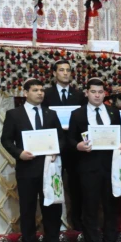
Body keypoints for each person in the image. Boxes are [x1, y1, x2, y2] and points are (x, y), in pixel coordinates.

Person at [0, 78, 66, 242]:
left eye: (41, 90)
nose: (39, 93)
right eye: (35, 90)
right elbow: (5, 140)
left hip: (49, 168)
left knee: (52, 208)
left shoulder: (50, 114)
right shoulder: (14, 114)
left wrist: (55, 150)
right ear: (26, 92)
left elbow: (61, 139)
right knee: (27, 209)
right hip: (27, 168)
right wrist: (19, 153)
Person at [67, 78, 121, 242]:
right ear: (87, 93)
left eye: (100, 92)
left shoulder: (113, 112)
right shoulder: (77, 114)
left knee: (111, 206)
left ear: (105, 94)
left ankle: (110, 241)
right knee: (90, 206)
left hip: (111, 166)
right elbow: (69, 139)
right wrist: (78, 146)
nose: (97, 95)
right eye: (93, 92)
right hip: (88, 166)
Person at [41, 60, 86, 231]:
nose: (65, 73)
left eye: (68, 70)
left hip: (75, 148)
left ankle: (77, 223)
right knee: (53, 184)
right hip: (54, 147)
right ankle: (54, 226)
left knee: (77, 186)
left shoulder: (79, 95)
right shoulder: (46, 94)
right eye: (61, 70)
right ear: (54, 73)